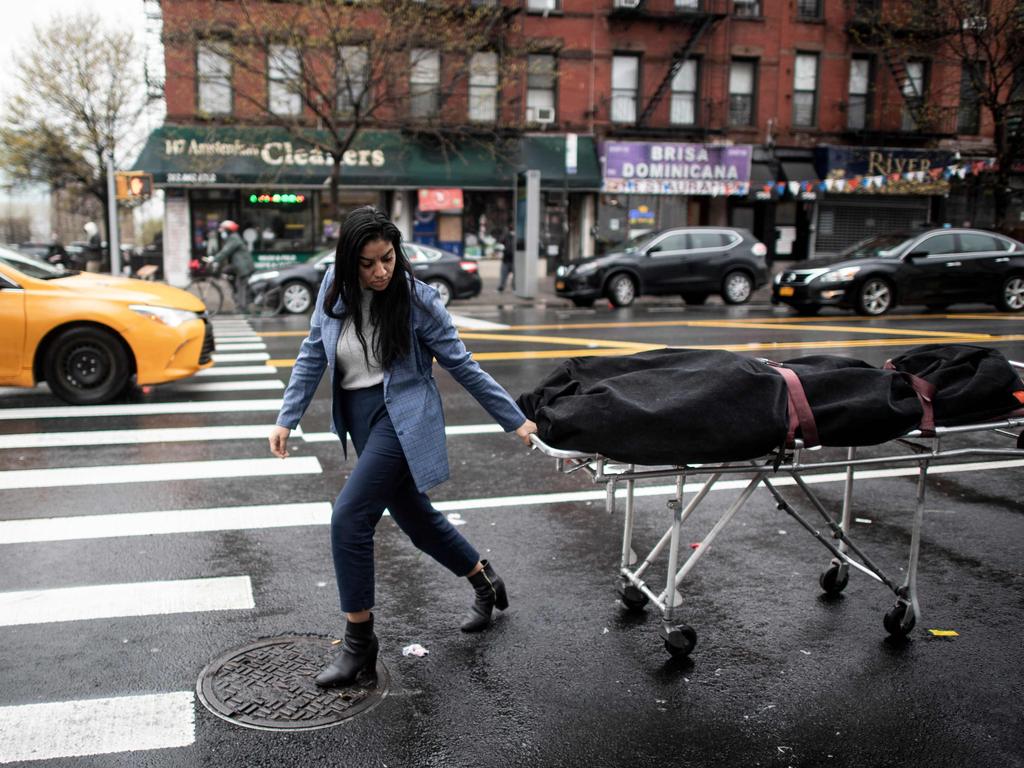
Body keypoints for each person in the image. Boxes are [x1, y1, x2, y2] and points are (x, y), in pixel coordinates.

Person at [268, 206, 537, 688]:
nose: (380, 271)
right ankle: (484, 579)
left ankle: (358, 645)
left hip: (401, 417)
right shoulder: (332, 285)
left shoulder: (416, 300)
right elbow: (313, 351)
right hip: (358, 416)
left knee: (349, 517)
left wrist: (514, 420)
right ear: (349, 261)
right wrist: (287, 416)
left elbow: (463, 365)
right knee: (415, 518)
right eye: (368, 263)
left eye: (388, 259)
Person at [209, 219, 255, 313]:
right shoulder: (231, 238)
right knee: (229, 274)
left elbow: (226, 251)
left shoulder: (234, 238)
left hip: (243, 267)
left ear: (228, 230)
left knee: (241, 286)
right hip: (238, 265)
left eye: (223, 230)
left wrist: (214, 259)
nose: (221, 232)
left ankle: (242, 307)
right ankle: (238, 298)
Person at [498, 227, 515, 292]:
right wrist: (505, 234)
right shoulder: (506, 236)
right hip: (506, 259)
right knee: (503, 275)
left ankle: (514, 287)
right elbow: (501, 241)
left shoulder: (517, 237)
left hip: (514, 260)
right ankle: (501, 287)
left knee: (516, 276)